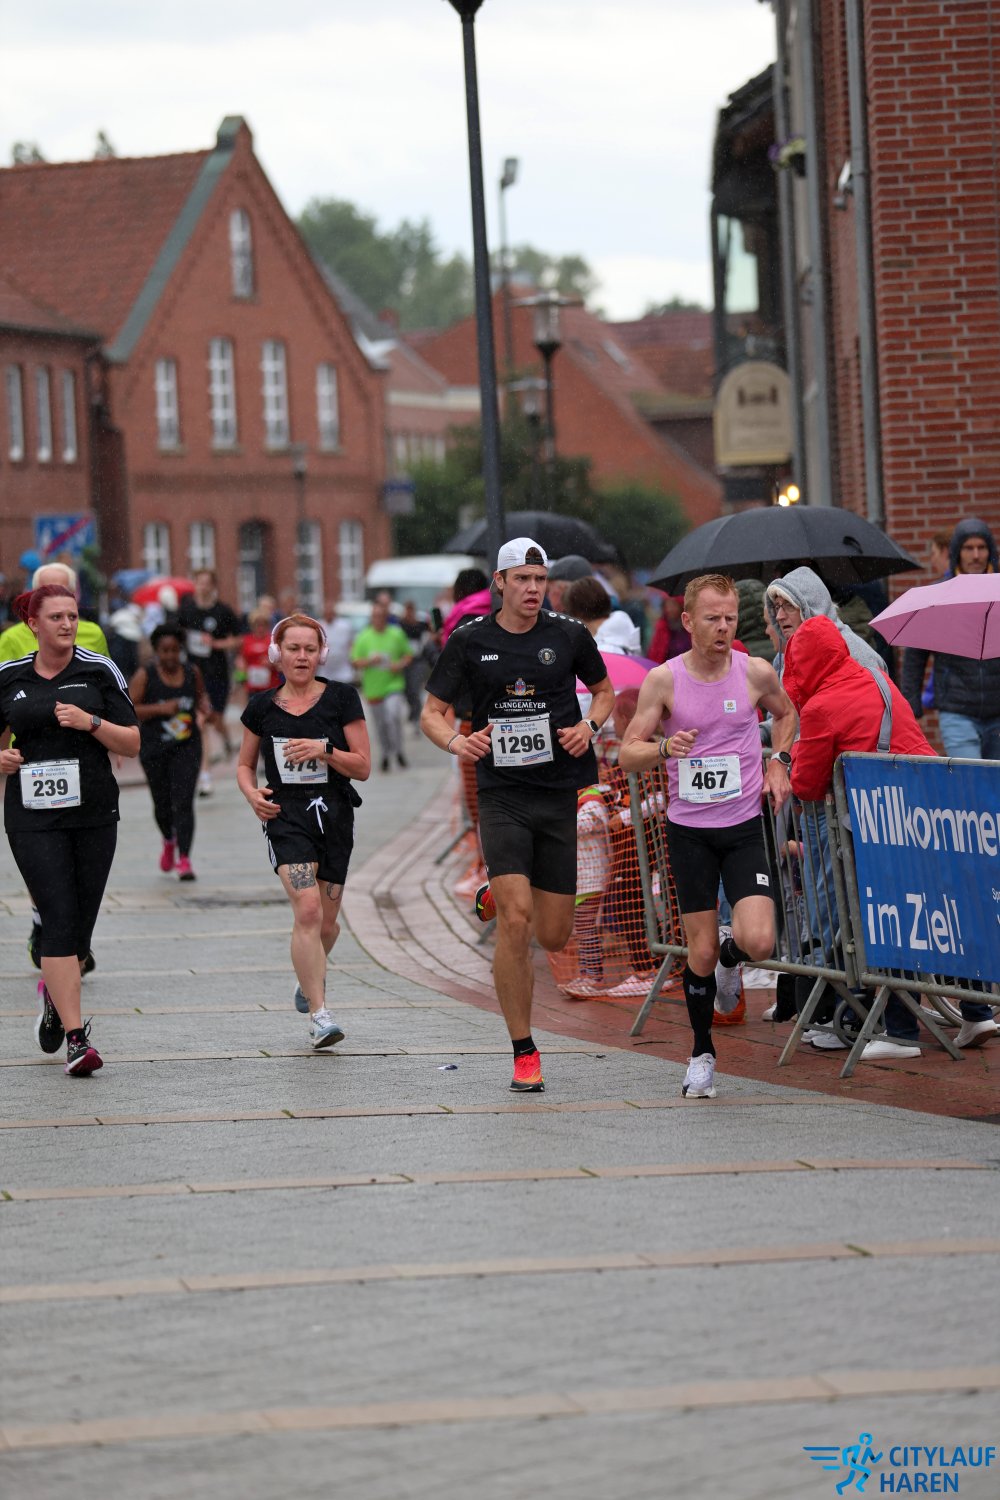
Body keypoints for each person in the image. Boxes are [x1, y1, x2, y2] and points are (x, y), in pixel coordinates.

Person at [421, 537, 614, 1093]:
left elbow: (603, 693)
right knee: (516, 921)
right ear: (499, 583)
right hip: (502, 795)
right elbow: (432, 713)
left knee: (553, 935)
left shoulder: (568, 635)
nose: (533, 589)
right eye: (522, 579)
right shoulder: (470, 639)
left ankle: (498, 891)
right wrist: (457, 743)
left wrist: (589, 727)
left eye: (540, 579)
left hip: (558, 796)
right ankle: (524, 1050)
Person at [784, 614, 999, 1056]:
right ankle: (977, 1013)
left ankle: (900, 1033)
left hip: (884, 819)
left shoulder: (821, 706)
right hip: (935, 805)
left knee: (896, 917)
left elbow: (807, 785)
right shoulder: (876, 678)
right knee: (947, 906)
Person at [619, 573, 796, 1100]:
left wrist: (779, 762)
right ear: (688, 621)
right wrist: (664, 749)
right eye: (712, 618)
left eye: (730, 618)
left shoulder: (755, 671)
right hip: (690, 832)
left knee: (759, 941)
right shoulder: (665, 680)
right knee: (697, 950)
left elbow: (787, 714)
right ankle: (701, 1055)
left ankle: (730, 958)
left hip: (743, 828)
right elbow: (627, 751)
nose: (723, 628)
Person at [0, 584, 139, 1075]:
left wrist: (90, 721)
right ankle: (78, 1042)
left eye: (73, 616)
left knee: (80, 927)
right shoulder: (10, 676)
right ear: (33, 624)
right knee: (57, 916)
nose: (67, 624)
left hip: (93, 814)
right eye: (56, 617)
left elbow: (132, 741)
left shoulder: (98, 670)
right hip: (32, 817)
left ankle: (57, 1001)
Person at [237, 613, 371, 1048]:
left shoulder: (342, 698)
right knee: (308, 910)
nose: (301, 656)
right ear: (277, 653)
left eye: (310, 649)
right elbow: (244, 765)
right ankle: (320, 1015)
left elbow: (363, 766)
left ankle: (307, 975)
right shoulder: (261, 707)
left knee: (328, 926)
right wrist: (251, 794)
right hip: (286, 817)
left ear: (322, 654)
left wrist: (325, 750)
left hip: (334, 817)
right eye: (293, 648)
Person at [901, 516, 1000, 760]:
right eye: (968, 548)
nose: (976, 555)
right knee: (969, 777)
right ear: (957, 552)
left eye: (981, 547)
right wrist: (911, 706)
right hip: (957, 710)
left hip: (997, 709)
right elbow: (915, 655)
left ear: (990, 551)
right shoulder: (939, 596)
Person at [130, 624, 210, 881]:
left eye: (175, 650)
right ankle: (168, 839)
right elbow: (130, 709)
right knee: (162, 804)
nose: (170, 656)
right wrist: (161, 709)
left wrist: (205, 709)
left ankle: (184, 858)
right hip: (154, 748)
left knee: (184, 802)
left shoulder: (192, 672)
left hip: (187, 746)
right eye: (165, 651)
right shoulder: (145, 675)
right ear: (156, 651)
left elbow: (201, 698)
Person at [178, 569, 242, 795]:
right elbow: (176, 634)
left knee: (216, 719)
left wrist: (215, 644)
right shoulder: (186, 609)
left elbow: (238, 639)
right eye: (199, 582)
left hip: (217, 673)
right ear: (194, 584)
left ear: (213, 586)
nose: (203, 587)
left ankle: (226, 740)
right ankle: (205, 777)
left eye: (207, 583)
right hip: (194, 674)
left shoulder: (222, 611)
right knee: (200, 721)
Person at [350, 592, 413, 772]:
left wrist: (399, 664)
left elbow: (408, 655)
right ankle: (386, 754)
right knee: (381, 725)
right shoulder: (364, 637)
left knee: (393, 716)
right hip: (373, 688)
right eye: (375, 616)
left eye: (381, 616)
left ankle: (399, 750)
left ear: (386, 617)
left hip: (394, 685)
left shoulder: (396, 633)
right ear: (371, 618)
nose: (378, 619)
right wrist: (370, 661)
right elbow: (355, 661)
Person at [0, 562, 109, 663]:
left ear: (75, 595)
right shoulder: (11, 639)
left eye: (62, 592)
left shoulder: (94, 634)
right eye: (46, 593)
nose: (55, 598)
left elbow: (106, 673)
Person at [237, 608, 283, 699]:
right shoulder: (246, 640)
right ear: (252, 626)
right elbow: (241, 661)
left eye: (263, 625)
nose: (260, 628)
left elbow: (281, 664)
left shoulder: (273, 641)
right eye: (257, 625)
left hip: (271, 686)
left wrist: (271, 662)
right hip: (252, 687)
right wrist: (241, 676)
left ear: (268, 625)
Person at [317, 601, 356, 685]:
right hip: (324, 673)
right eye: (326, 611)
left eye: (330, 611)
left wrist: (352, 658)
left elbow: (351, 644)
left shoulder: (345, 626)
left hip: (344, 672)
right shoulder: (318, 626)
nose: (328, 614)